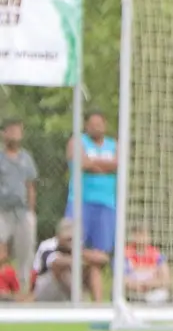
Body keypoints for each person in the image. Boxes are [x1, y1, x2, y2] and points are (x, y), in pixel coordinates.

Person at [66, 110, 116, 300]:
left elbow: (118, 164)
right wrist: (104, 166)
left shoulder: (114, 145)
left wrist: (92, 163)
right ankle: (73, 299)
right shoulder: (77, 142)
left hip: (106, 205)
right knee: (70, 248)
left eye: (99, 123)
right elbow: (81, 163)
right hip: (79, 202)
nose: (96, 127)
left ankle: (97, 304)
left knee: (100, 257)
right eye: (92, 123)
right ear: (86, 126)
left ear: (105, 125)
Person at [28, 217, 105, 302]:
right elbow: (55, 263)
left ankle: (98, 307)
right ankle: (79, 302)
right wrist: (80, 260)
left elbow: (103, 259)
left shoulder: (79, 246)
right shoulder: (47, 245)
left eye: (72, 238)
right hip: (44, 289)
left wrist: (80, 254)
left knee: (93, 269)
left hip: (67, 286)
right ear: (58, 236)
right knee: (62, 269)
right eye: (68, 238)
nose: (70, 241)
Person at [0, 120, 38, 276]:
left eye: (17, 130)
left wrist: (31, 211)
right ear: (3, 134)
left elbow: (30, 186)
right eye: (11, 130)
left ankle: (23, 286)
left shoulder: (26, 158)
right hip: (2, 212)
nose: (14, 133)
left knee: (25, 252)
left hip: (23, 212)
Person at [123, 225, 171, 304]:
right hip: (132, 293)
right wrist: (136, 285)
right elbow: (122, 280)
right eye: (138, 234)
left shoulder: (157, 255)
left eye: (144, 234)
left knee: (161, 294)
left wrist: (149, 284)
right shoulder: (125, 254)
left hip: (152, 291)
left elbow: (166, 279)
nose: (142, 238)